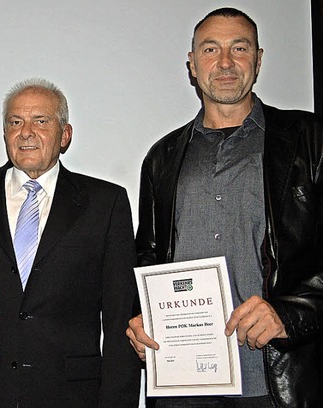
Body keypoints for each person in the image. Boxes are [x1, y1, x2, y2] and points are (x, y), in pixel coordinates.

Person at [126, 7, 323, 407]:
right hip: (181, 384)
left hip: (274, 384)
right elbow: (148, 257)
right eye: (211, 49)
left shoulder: (310, 139)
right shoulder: (161, 158)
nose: (226, 62)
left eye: (240, 48)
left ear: (259, 60)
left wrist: (290, 313)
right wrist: (140, 316)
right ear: (193, 65)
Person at [0, 78, 141, 407]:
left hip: (74, 396)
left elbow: (121, 317)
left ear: (65, 135)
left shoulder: (105, 204)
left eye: (41, 121)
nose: (26, 132)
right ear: (5, 133)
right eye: (15, 122)